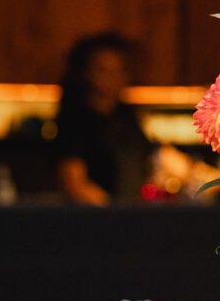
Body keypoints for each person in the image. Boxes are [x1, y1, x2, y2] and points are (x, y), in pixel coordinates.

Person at [54, 33, 153, 204]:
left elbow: (147, 167)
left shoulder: (128, 118)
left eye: (118, 69)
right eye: (102, 70)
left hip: (131, 216)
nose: (111, 78)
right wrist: (112, 210)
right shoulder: (74, 122)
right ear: (85, 73)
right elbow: (74, 184)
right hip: (93, 221)